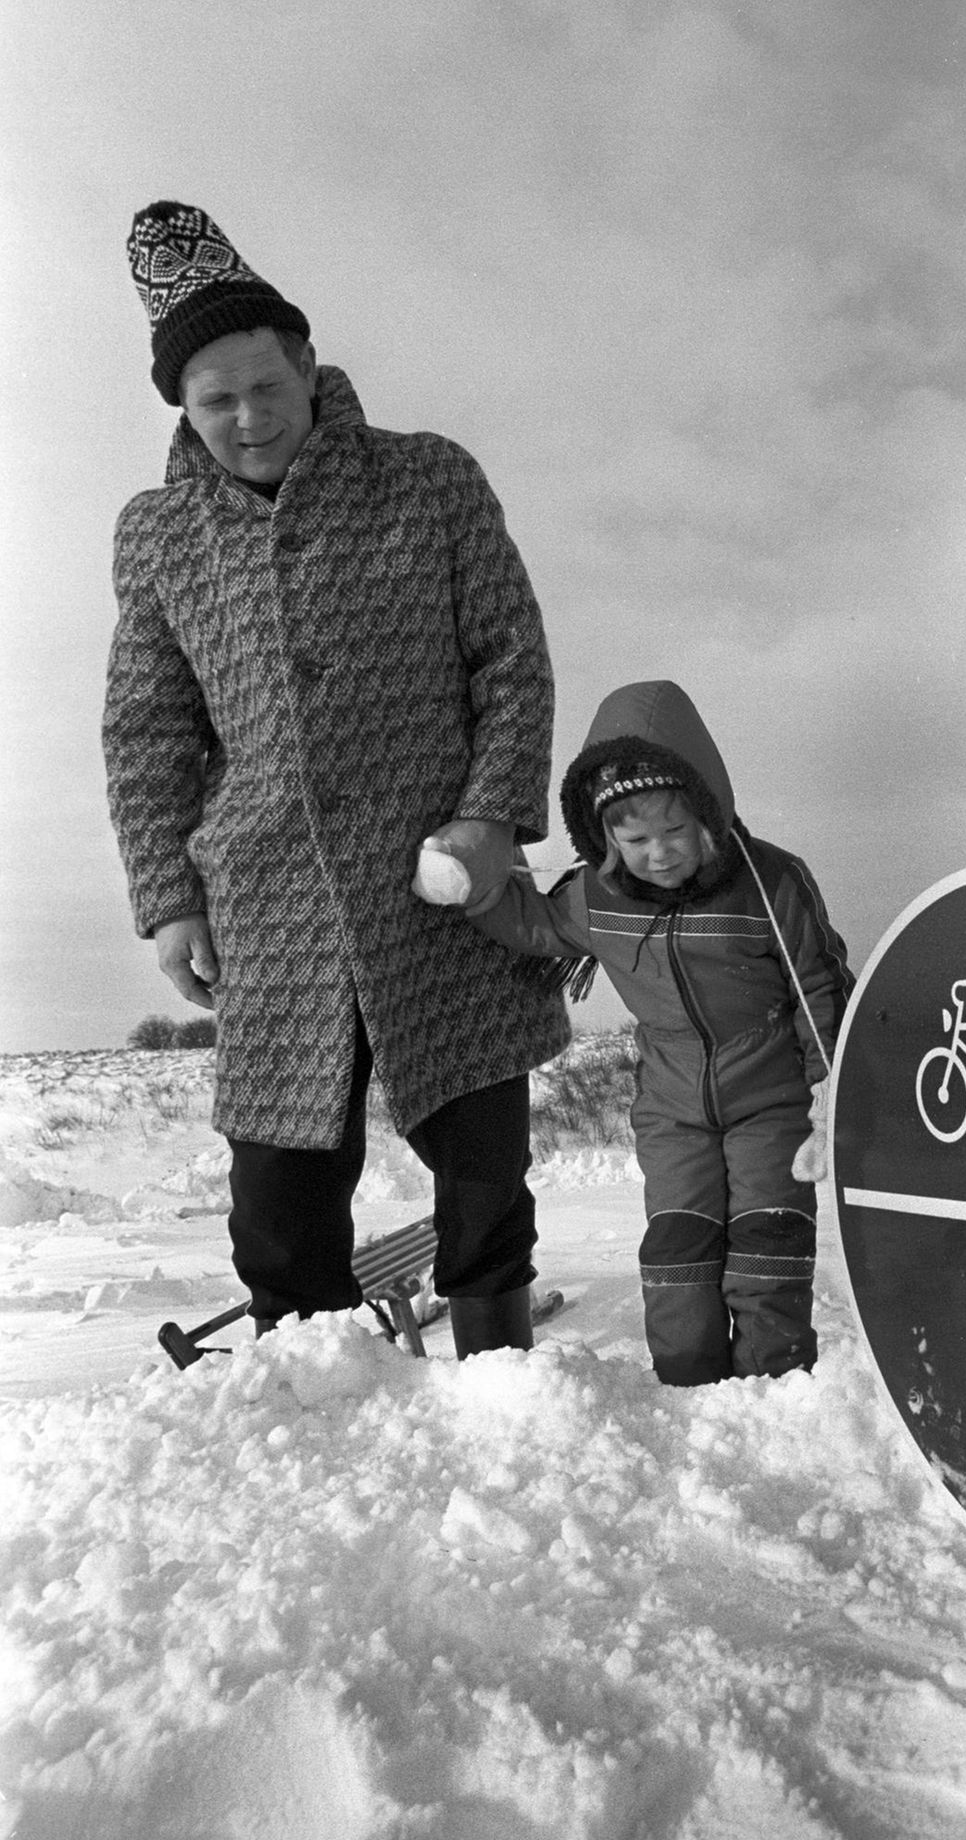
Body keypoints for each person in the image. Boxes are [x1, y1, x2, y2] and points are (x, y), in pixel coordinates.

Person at [103, 201, 569, 1355]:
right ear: (183, 408)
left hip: (437, 894)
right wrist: (170, 898)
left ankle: (501, 1381)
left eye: (265, 384)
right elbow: (146, 728)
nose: (249, 418)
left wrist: (489, 821)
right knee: (279, 1198)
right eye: (216, 401)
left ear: (307, 363)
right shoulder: (159, 537)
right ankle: (308, 1404)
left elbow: (510, 656)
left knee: (482, 1165)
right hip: (269, 908)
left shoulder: (429, 480)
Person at [424, 679, 853, 1385]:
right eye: (635, 837)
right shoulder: (599, 895)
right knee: (678, 1254)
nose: (658, 853)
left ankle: (775, 1395)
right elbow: (531, 921)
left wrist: (831, 1091)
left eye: (676, 831)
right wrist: (466, 881)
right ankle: (688, 1391)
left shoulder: (770, 883)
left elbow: (820, 988)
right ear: (605, 837)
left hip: (772, 1101)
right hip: (672, 1109)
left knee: (766, 1247)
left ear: (708, 811)